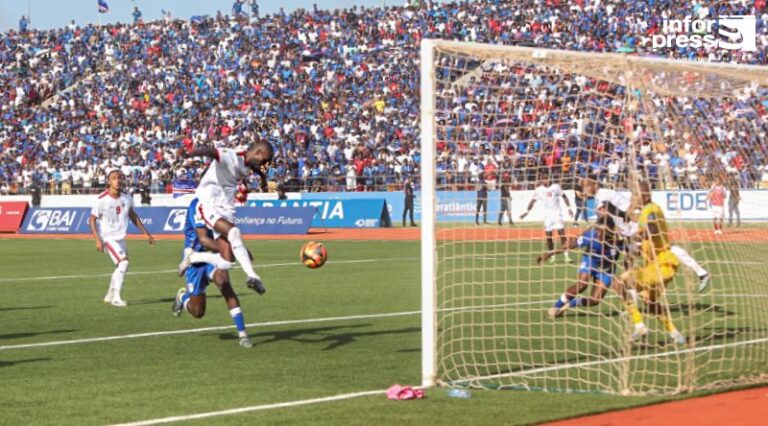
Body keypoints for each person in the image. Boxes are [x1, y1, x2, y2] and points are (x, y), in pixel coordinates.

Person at [177, 142, 274, 294]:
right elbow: (211, 151)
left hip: (226, 208)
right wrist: (189, 153)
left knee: (227, 262)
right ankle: (252, 276)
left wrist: (263, 180)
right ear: (258, 153)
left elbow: (257, 169)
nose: (264, 165)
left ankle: (193, 257)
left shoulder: (249, 163)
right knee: (233, 232)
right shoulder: (230, 155)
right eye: (264, 160)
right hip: (207, 203)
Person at [172, 197, 253, 348]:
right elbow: (203, 240)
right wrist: (231, 251)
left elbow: (229, 236)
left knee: (225, 285)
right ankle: (182, 297)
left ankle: (243, 335)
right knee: (198, 312)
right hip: (194, 259)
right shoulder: (196, 205)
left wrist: (240, 249)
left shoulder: (222, 206)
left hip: (214, 258)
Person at [613, 181, 686, 345]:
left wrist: (635, 238)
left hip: (662, 265)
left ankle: (639, 325)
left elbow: (652, 230)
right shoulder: (650, 210)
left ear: (644, 195)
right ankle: (675, 333)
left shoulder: (650, 211)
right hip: (657, 266)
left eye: (635, 195)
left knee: (618, 283)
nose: (633, 199)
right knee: (650, 302)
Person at [89, 169, 155, 307]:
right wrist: (97, 240)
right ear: (109, 181)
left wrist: (146, 234)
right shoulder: (102, 199)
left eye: (120, 178)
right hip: (108, 238)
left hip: (121, 238)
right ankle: (116, 298)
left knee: (121, 265)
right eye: (114, 178)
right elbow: (92, 220)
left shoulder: (127, 198)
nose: (117, 180)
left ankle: (110, 293)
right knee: (124, 263)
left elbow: (133, 216)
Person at [539, 215, 623, 318]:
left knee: (595, 300)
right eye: (598, 230)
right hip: (590, 261)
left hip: (606, 269)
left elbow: (634, 249)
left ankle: (572, 303)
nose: (599, 234)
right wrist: (550, 253)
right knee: (582, 285)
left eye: (603, 232)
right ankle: (556, 307)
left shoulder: (619, 240)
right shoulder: (591, 236)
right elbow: (571, 245)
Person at [520, 175, 573, 262]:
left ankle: (566, 256)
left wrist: (569, 208)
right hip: (547, 216)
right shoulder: (539, 190)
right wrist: (526, 212)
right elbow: (532, 201)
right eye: (543, 178)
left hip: (557, 214)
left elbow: (564, 196)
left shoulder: (556, 187)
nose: (545, 180)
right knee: (549, 237)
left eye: (546, 177)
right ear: (541, 180)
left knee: (562, 234)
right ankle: (552, 256)